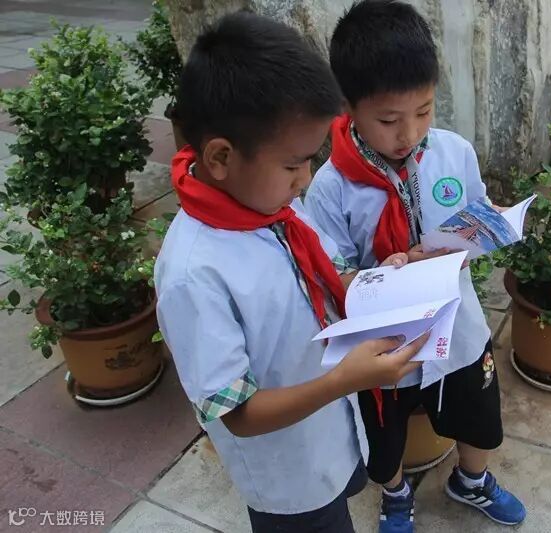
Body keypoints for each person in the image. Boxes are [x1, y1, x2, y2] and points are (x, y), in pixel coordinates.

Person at [154, 12, 426, 533]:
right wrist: (345, 379)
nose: (306, 178)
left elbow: (324, 279)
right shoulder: (194, 275)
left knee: (340, 498)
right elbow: (238, 414)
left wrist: (383, 280)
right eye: (293, 164)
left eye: (311, 159)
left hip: (331, 430)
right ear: (220, 157)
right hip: (287, 474)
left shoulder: (275, 206)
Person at [304, 1, 527, 531]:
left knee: (477, 411)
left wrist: (486, 225)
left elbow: (473, 211)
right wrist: (386, 274)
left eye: (424, 111)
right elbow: (333, 276)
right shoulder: (331, 187)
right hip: (386, 344)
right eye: (389, 120)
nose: (409, 133)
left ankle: (471, 479)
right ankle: (396, 492)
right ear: (348, 107)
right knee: (385, 435)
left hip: (458, 324)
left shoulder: (453, 152)